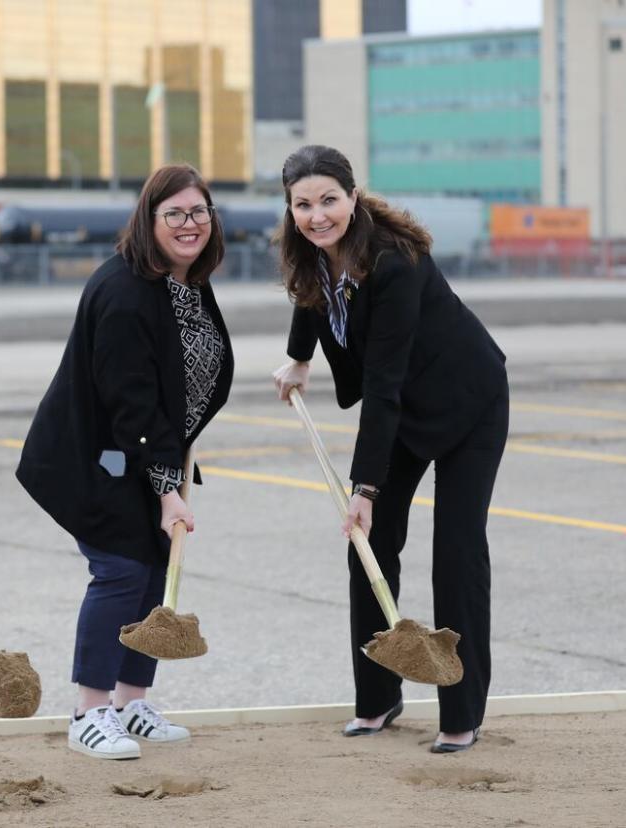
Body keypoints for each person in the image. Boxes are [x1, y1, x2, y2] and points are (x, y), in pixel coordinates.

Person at [271, 145, 508, 754]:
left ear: (353, 197)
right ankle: (378, 700)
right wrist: (300, 358)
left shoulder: (393, 263)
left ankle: (463, 712)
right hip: (403, 408)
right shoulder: (310, 250)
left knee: (456, 552)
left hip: (466, 402)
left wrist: (365, 489)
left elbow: (383, 386)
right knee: (368, 546)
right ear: (291, 208)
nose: (317, 215)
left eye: (329, 200)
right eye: (304, 204)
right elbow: (309, 293)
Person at [17, 164, 234, 760]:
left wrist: (174, 467)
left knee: (155, 572)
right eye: (175, 214)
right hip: (98, 456)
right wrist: (168, 491)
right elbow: (130, 401)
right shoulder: (123, 289)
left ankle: (130, 701)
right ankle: (89, 712)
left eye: (198, 212)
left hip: (150, 454)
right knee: (120, 571)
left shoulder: (186, 280)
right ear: (149, 219)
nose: (188, 224)